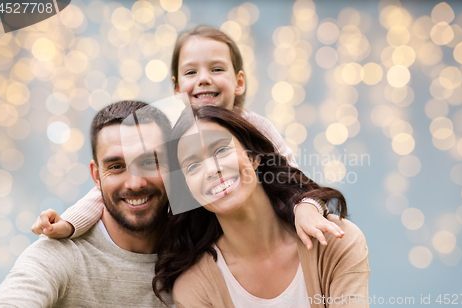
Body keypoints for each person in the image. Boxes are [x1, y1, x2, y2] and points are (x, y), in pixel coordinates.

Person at [32, 26, 344, 249]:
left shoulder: (254, 127)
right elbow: (113, 184)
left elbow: (293, 179)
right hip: (196, 242)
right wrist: (71, 223)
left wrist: (307, 207)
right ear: (177, 86)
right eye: (191, 72)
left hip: (253, 237)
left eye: (217, 68)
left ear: (238, 82)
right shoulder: (168, 124)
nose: (204, 78)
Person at [153, 105, 370, 308]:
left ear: (253, 157)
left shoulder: (335, 242)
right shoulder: (195, 288)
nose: (212, 169)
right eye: (192, 166)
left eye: (220, 151)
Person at [0, 101, 174, 307]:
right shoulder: (61, 255)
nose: (135, 183)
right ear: (96, 176)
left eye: (149, 162)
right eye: (116, 166)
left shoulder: (199, 247)